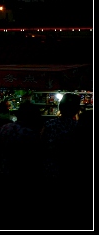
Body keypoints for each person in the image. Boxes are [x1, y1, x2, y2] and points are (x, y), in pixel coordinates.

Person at [0, 101, 43, 229]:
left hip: (3, 172)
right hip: (24, 175)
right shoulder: (32, 133)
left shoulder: (6, 128)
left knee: (5, 205)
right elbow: (37, 157)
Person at [40, 92, 82, 229]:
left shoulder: (49, 124)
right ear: (77, 109)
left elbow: (40, 145)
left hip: (50, 169)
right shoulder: (78, 128)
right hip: (70, 171)